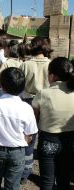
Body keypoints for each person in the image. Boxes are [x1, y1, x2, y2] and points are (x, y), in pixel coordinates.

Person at [0, 67, 38, 190]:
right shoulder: (26, 108)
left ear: (1, 85)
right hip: (17, 151)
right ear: (22, 86)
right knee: (13, 184)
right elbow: (30, 133)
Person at [32, 57, 74, 190]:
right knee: (64, 178)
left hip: (48, 140)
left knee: (47, 180)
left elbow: (35, 118)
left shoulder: (43, 93)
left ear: (52, 76)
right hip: (70, 141)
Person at [20, 36, 53, 183]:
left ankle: (24, 173)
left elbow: (19, 85)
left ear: (32, 47)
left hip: (28, 102)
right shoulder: (51, 64)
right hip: (47, 101)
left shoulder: (25, 64)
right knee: (45, 136)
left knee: (28, 137)